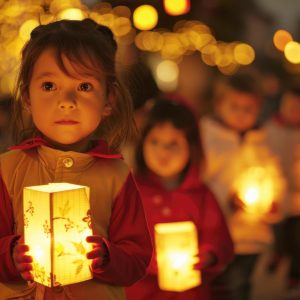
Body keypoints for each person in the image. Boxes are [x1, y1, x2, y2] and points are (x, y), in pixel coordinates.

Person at [0, 18, 152, 300]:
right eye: (49, 86)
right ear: (27, 98)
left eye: (84, 86)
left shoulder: (116, 176)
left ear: (109, 99)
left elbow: (137, 256)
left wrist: (109, 258)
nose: (66, 100)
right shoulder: (8, 170)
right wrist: (10, 255)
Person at [126, 98, 234, 300]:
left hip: (190, 294)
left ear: (191, 147)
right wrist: (145, 259)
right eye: (155, 141)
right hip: (142, 292)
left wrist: (208, 255)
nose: (163, 151)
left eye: (173, 143)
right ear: (142, 144)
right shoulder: (132, 192)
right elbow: (122, 240)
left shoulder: (201, 194)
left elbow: (219, 236)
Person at [200, 71, 285, 300]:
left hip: (253, 236)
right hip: (219, 234)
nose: (241, 114)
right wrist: (226, 199)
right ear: (219, 104)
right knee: (218, 288)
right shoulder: (208, 138)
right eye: (235, 106)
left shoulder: (261, 141)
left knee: (240, 287)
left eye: (249, 109)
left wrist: (274, 202)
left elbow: (275, 177)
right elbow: (201, 183)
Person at [264, 81, 300, 297]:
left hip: (298, 198)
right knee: (278, 231)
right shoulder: (269, 130)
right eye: (291, 107)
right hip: (276, 195)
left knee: (297, 236)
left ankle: (294, 273)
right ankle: (277, 254)